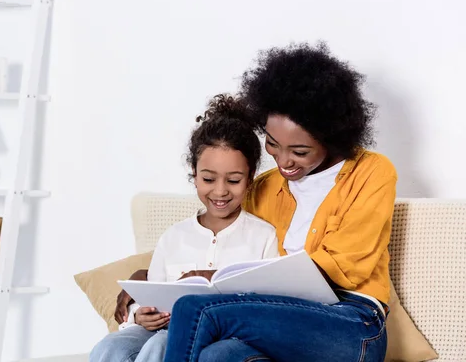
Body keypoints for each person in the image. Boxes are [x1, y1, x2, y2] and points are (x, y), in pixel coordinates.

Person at [115, 42, 397, 362]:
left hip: (351, 321)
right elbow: (226, 242)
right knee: (217, 355)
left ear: (332, 138)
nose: (284, 161)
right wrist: (149, 279)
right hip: (274, 317)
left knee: (197, 309)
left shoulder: (371, 172)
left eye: (299, 151)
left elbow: (345, 267)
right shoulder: (263, 188)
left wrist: (220, 281)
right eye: (274, 144)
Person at [90, 94, 279, 362]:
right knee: (110, 347)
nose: (220, 191)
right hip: (164, 328)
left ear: (250, 178)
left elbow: (270, 304)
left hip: (219, 334)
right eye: (208, 179)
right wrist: (141, 314)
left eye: (234, 180)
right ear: (194, 172)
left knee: (161, 345)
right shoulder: (174, 237)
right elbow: (152, 296)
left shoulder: (263, 236)